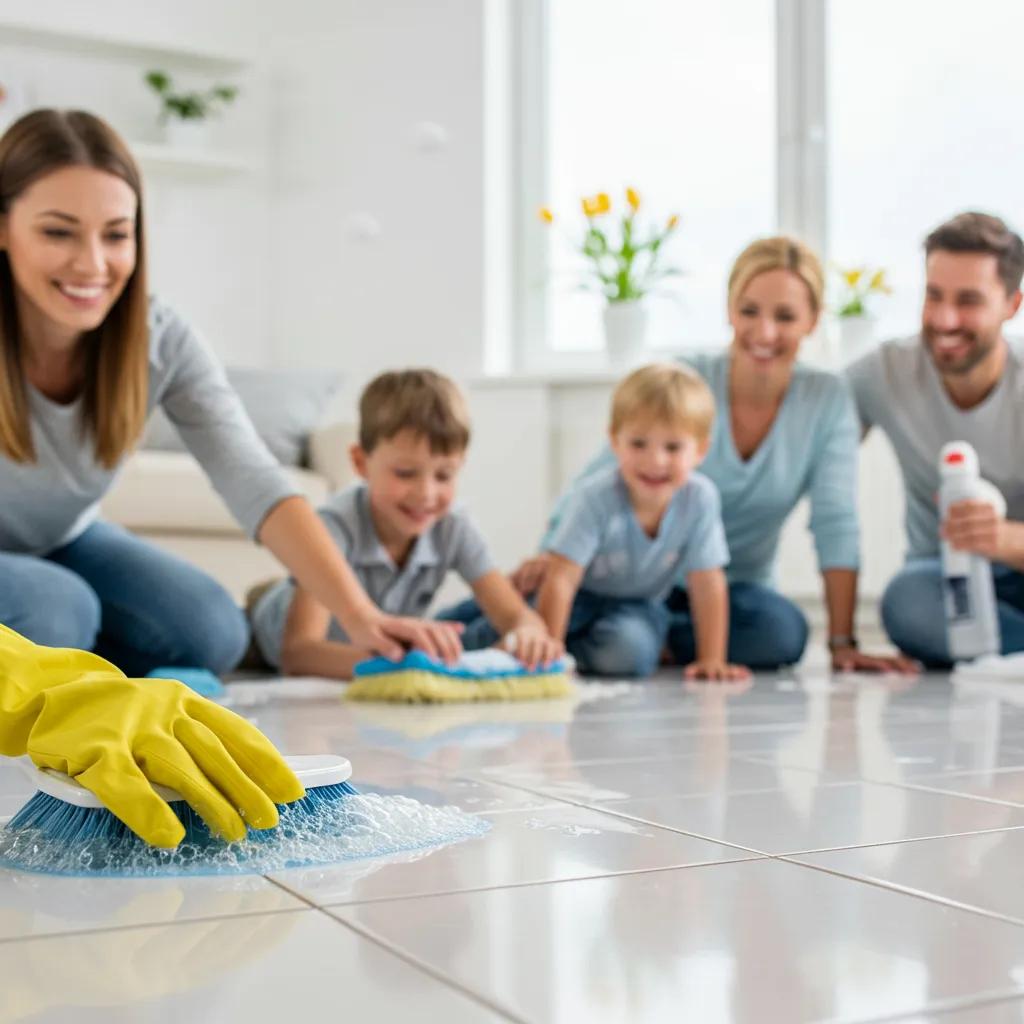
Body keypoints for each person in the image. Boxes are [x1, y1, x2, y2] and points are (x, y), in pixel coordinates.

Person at [0, 108, 460, 675]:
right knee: (56, 610)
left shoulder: (158, 339)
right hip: (42, 587)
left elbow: (254, 479)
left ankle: (69, 665)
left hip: (62, 541)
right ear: (4, 227)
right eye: (57, 232)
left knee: (213, 629)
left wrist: (361, 614)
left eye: (116, 234)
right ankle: (59, 652)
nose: (93, 264)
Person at [444, 237, 912, 674]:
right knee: (558, 606)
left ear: (813, 320)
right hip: (624, 577)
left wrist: (842, 641)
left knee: (782, 634)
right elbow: (602, 476)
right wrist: (556, 552)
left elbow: (835, 520)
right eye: (749, 310)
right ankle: (488, 635)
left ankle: (640, 640)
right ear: (729, 309)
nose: (765, 331)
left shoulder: (827, 399)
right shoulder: (685, 383)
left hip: (728, 587)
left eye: (785, 316)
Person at [250, 369, 563, 679]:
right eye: (405, 473)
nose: (426, 494)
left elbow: (517, 615)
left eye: (444, 475)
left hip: (381, 638)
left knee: (490, 617)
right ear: (360, 463)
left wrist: (527, 634)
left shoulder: (453, 526)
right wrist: (401, 665)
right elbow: (298, 654)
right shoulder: (333, 528)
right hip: (271, 631)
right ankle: (265, 593)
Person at [846, 212, 1024, 665]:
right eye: (934, 295)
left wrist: (1004, 539)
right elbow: (810, 432)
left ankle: (990, 649)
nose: (945, 320)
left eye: (969, 301)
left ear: (1012, 304)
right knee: (905, 601)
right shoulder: (884, 374)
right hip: (942, 582)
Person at [529, 363, 748, 680]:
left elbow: (707, 582)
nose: (655, 460)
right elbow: (561, 579)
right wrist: (548, 655)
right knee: (494, 629)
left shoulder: (700, 499)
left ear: (700, 450)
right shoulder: (594, 496)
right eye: (638, 444)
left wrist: (712, 658)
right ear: (614, 441)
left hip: (638, 606)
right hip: (578, 599)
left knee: (630, 652)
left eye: (673, 447)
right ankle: (529, 642)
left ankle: (569, 652)